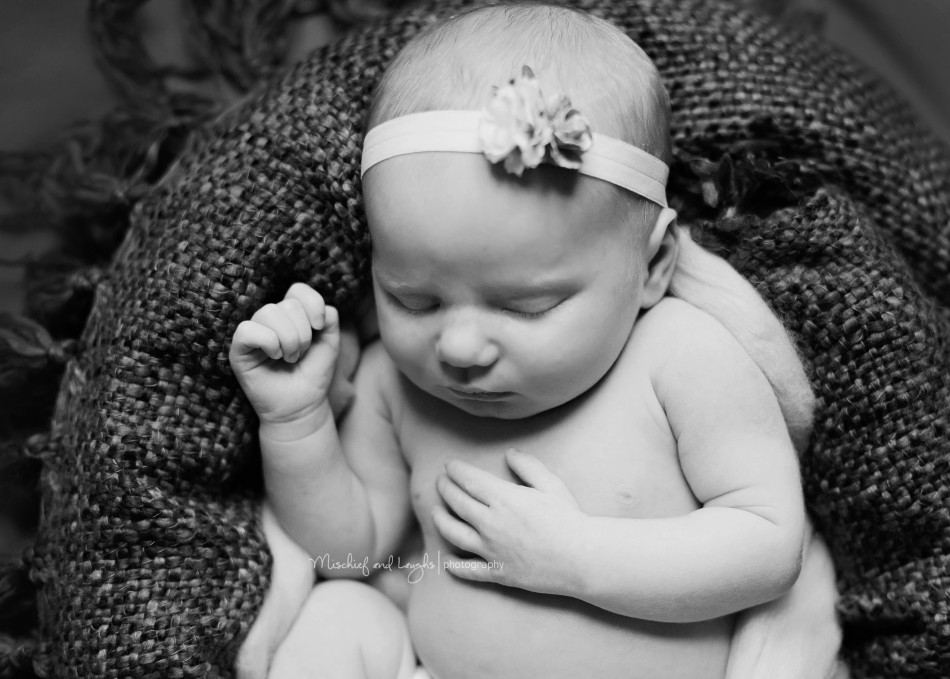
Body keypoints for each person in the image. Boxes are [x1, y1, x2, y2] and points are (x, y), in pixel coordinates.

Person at [229, 4, 842, 678]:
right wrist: (295, 420)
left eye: (526, 306)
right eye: (413, 299)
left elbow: (768, 543)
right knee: (340, 615)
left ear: (653, 265)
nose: (459, 348)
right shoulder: (392, 384)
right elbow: (349, 551)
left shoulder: (679, 356)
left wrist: (577, 557)